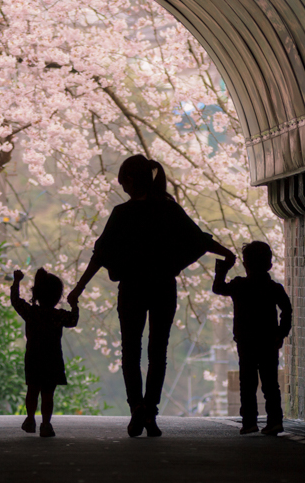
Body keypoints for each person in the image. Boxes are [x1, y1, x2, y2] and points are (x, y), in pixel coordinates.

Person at [68, 154, 235, 437]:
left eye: (123, 183)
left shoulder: (123, 214)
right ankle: (150, 412)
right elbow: (199, 239)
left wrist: (79, 288)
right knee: (158, 353)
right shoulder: (169, 210)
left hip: (132, 289)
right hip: (162, 288)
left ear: (132, 181)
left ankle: (136, 409)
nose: (123, 189)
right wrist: (227, 253)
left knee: (130, 352)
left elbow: (101, 254)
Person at [212, 241, 292, 435]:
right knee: (270, 382)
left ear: (245, 264)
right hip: (268, 341)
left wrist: (222, 268)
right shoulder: (274, 288)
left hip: (246, 341)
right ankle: (274, 420)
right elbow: (287, 310)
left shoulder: (239, 285)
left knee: (247, 382)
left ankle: (249, 422)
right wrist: (281, 333)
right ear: (270, 265)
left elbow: (218, 288)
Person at [10, 268, 79, 438]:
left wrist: (17, 281)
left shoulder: (32, 313)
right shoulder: (58, 316)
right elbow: (73, 321)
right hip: (53, 359)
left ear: (37, 293)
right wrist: (75, 304)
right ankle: (46, 424)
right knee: (48, 393)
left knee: (32, 390)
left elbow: (15, 301)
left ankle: (30, 418)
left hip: (33, 357)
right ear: (57, 296)